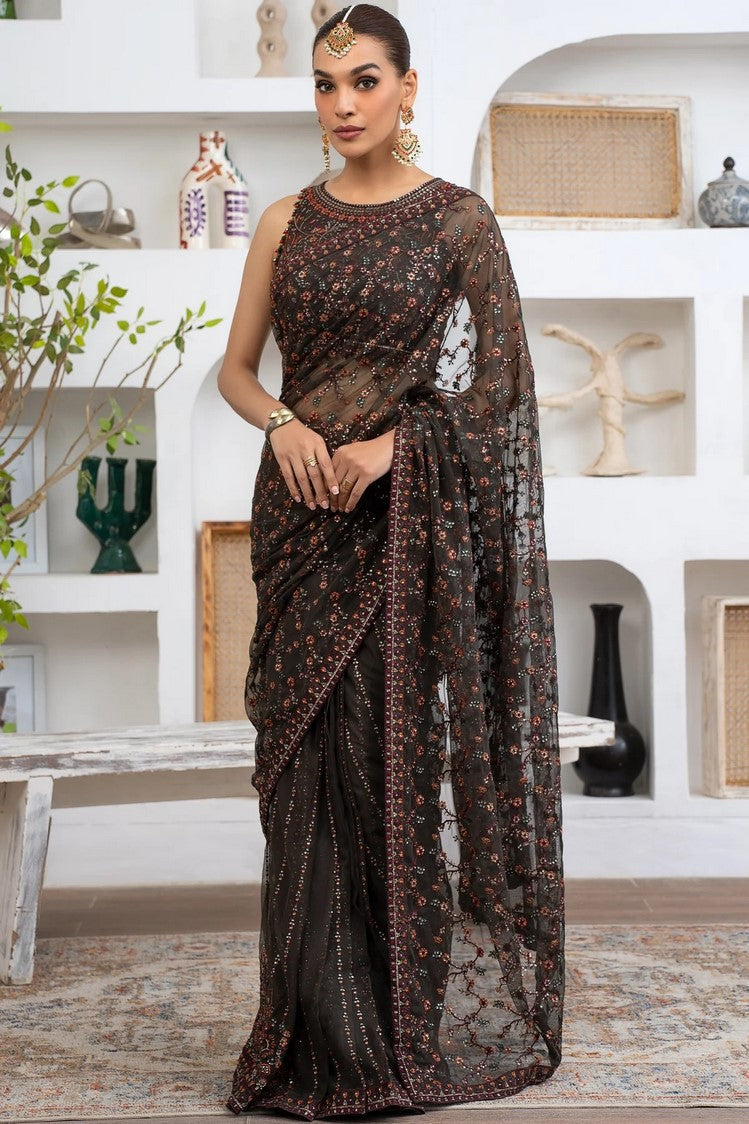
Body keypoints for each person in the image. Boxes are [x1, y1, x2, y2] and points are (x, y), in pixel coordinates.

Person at [218, 4, 565, 1118]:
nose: (342, 105)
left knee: (382, 768)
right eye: (325, 86)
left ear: (406, 89)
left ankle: (384, 1035)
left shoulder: (458, 221)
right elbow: (236, 371)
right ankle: (301, 1031)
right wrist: (283, 425)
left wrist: (392, 448)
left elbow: (500, 389)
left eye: (363, 81)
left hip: (399, 527)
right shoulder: (285, 220)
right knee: (298, 771)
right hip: (297, 522)